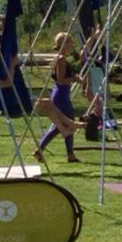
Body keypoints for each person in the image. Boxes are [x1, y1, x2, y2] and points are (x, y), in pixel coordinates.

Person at [33, 31, 81, 164]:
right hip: (61, 95)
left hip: (62, 93)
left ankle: (43, 150)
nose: (72, 45)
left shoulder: (61, 58)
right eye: (70, 42)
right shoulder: (61, 59)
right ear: (64, 44)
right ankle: (68, 154)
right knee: (69, 123)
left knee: (61, 125)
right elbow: (61, 80)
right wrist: (75, 79)